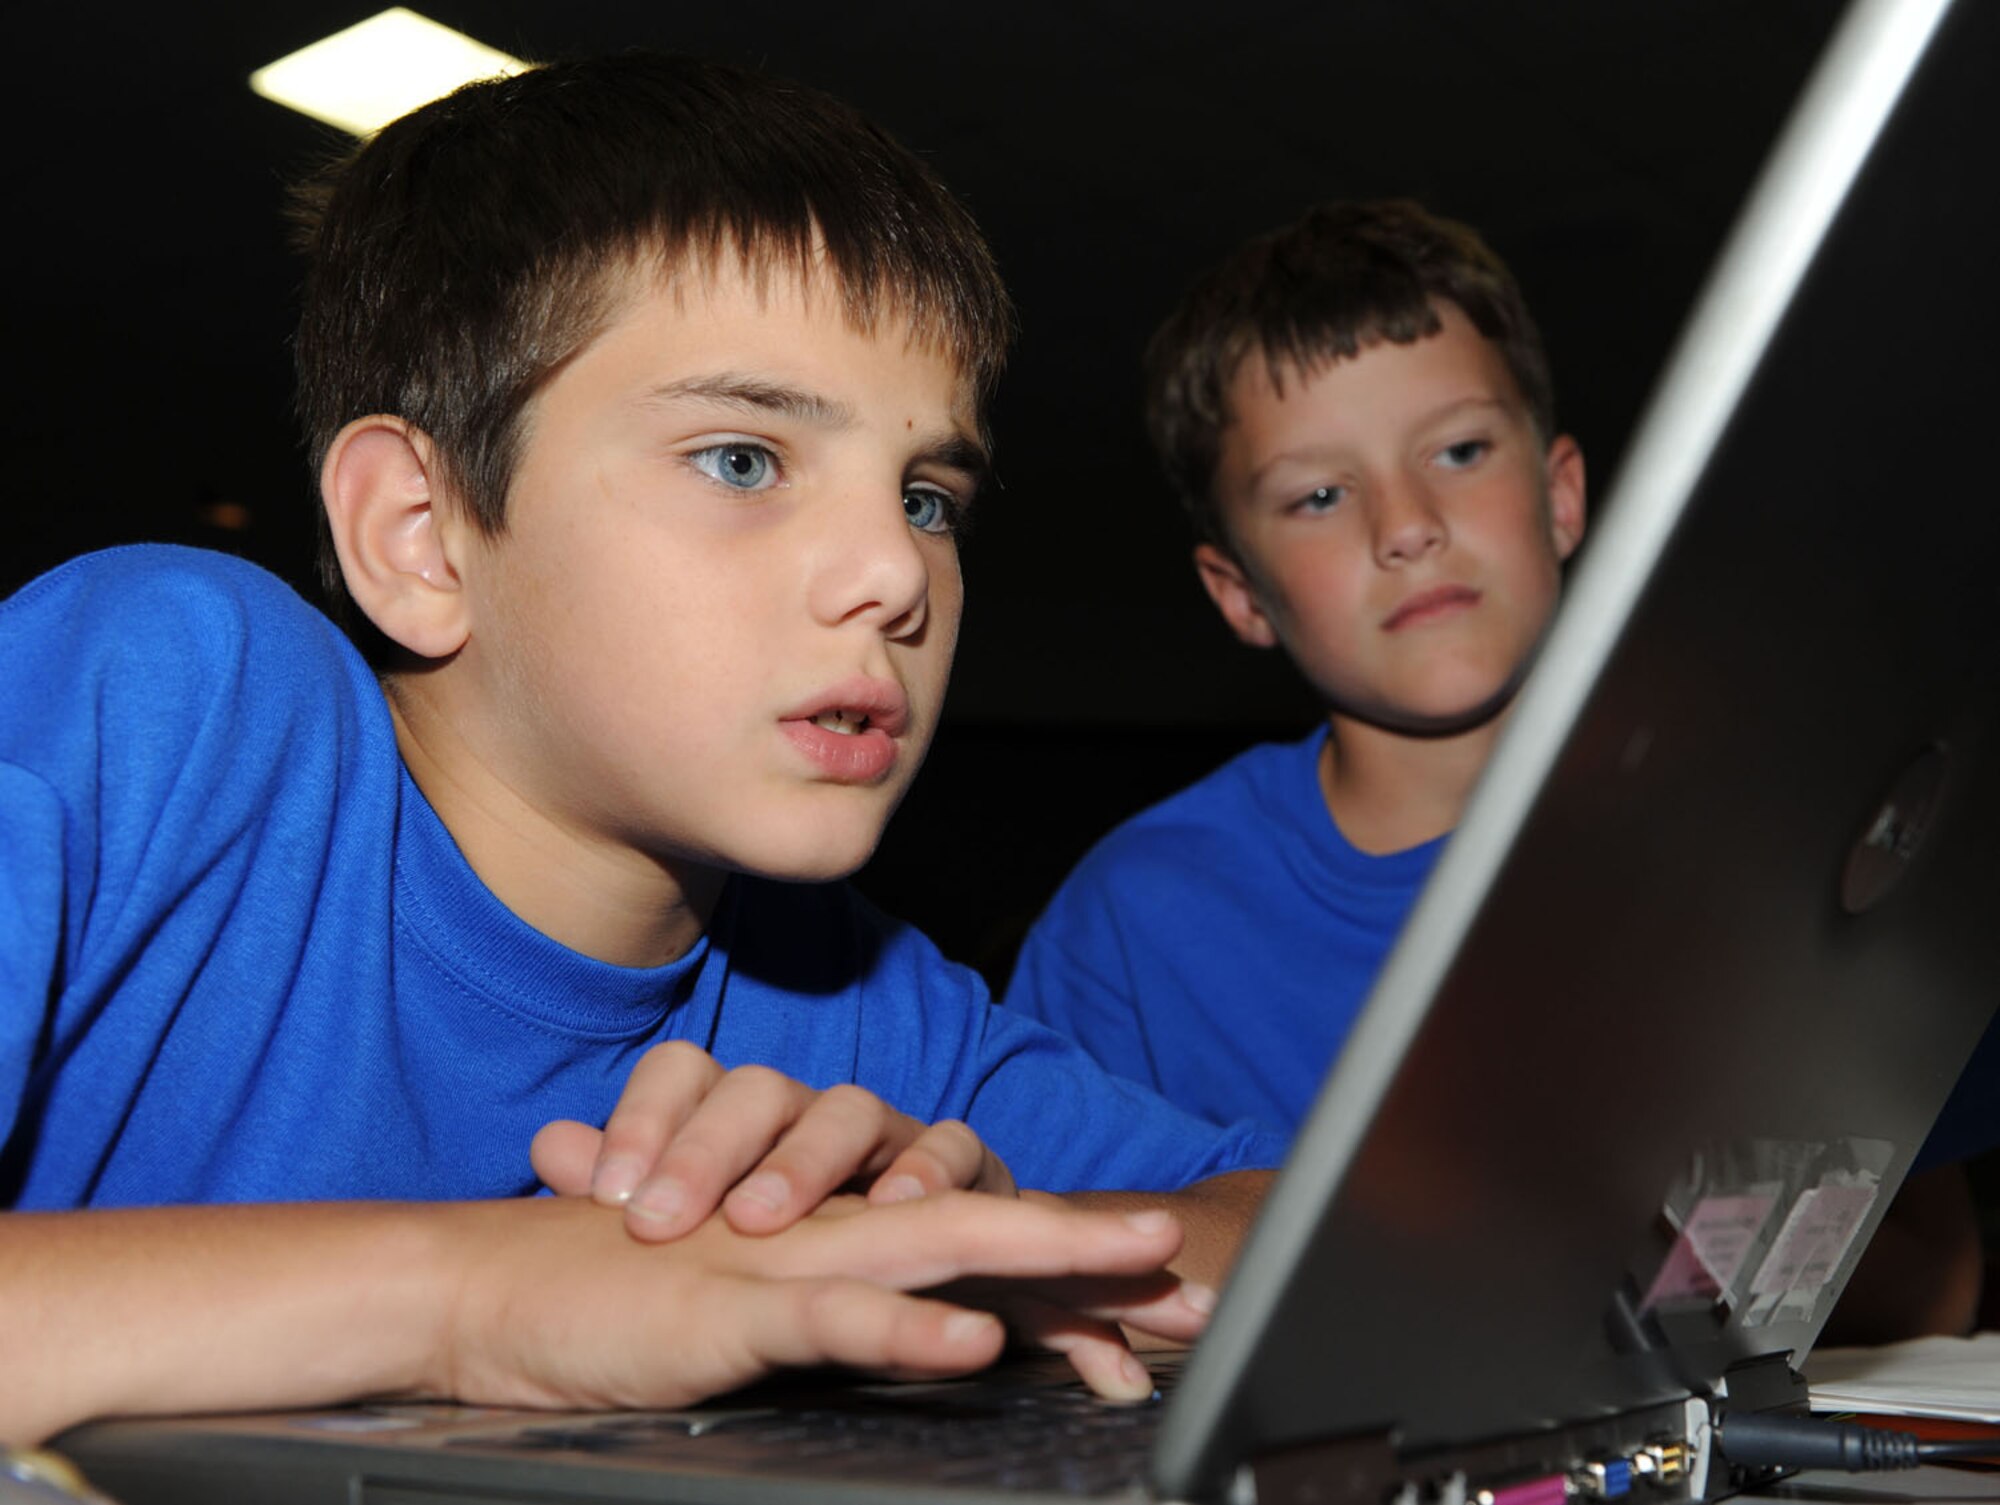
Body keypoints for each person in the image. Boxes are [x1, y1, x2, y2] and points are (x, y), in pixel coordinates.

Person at [0, 52, 1283, 1447]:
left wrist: (936, 1246)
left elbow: (1295, 1216)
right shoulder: (173, 698)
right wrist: (479, 1299)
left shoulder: (848, 995)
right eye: (742, 458)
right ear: (419, 538)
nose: (892, 573)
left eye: (926, 496)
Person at [1004, 200, 1586, 1138]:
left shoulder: (1745, 820)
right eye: (1319, 495)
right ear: (1240, 594)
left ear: (1560, 497)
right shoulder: (1137, 928)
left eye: (1460, 450)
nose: (1406, 527)